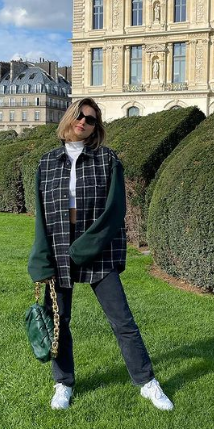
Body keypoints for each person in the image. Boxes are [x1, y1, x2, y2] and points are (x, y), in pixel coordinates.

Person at [28, 98, 173, 412]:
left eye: (90, 119)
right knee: (58, 321)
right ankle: (63, 383)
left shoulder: (106, 159)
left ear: (96, 127)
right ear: (69, 118)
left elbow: (115, 210)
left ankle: (147, 382)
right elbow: (40, 216)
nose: (83, 122)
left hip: (99, 250)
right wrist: (41, 256)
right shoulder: (47, 162)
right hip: (58, 247)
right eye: (79, 116)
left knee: (122, 321)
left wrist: (86, 246)